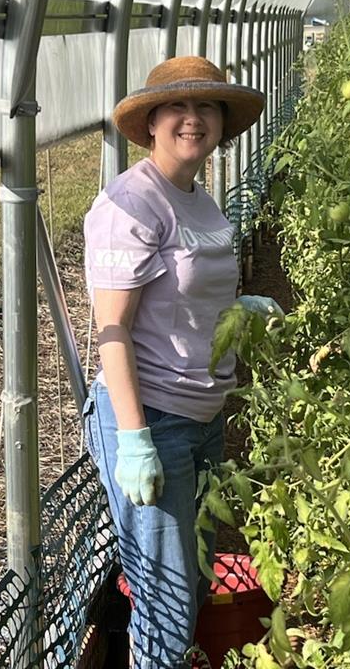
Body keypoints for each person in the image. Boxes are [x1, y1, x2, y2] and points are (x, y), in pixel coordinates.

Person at [83, 56, 280, 668]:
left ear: (222, 121)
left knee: (192, 583)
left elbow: (187, 289)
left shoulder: (197, 197)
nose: (193, 119)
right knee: (167, 605)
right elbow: (112, 330)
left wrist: (238, 303)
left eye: (207, 107)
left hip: (201, 418)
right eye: (179, 107)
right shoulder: (132, 204)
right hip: (154, 419)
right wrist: (136, 438)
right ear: (150, 124)